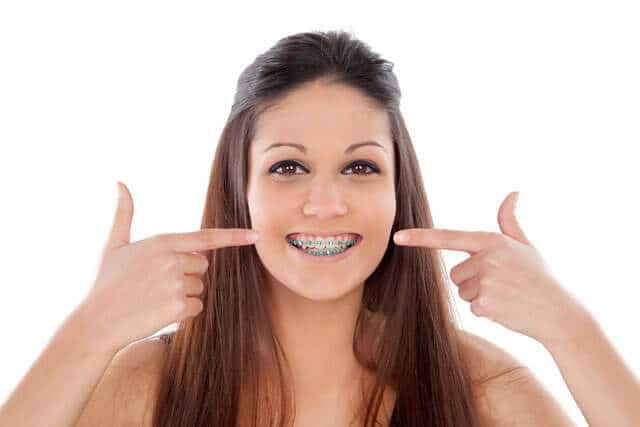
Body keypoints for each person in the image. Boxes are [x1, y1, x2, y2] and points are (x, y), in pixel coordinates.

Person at [1, 30, 639, 427]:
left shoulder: (479, 389)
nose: (326, 202)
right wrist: (90, 331)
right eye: (288, 167)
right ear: (238, 192)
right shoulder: (154, 388)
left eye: (360, 166)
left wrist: (567, 327)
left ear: (399, 192)